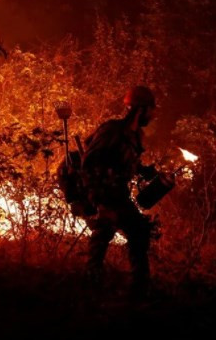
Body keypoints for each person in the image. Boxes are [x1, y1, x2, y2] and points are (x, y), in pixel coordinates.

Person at [80, 85, 171, 298]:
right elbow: (89, 161)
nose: (154, 113)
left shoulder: (135, 135)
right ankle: (99, 284)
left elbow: (127, 161)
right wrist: (97, 198)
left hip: (119, 193)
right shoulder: (112, 130)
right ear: (140, 110)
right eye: (151, 109)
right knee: (115, 230)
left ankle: (135, 287)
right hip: (104, 192)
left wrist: (145, 171)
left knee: (133, 231)